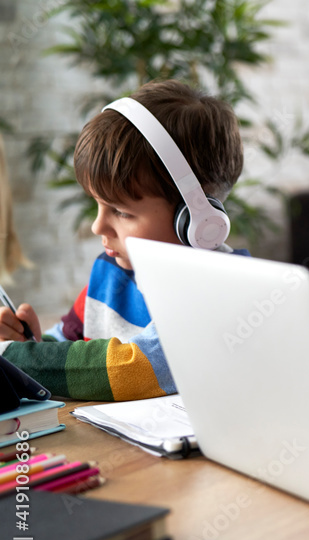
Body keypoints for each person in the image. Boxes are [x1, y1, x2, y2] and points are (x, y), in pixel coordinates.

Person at [0, 80, 245, 402]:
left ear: (196, 218)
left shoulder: (222, 286)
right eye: (97, 205)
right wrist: (32, 344)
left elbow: (133, 369)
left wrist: (11, 358)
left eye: (121, 212)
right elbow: (71, 347)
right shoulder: (109, 273)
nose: (97, 225)